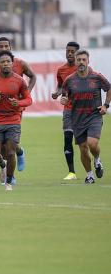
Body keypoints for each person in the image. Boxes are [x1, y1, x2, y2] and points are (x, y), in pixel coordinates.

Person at [0, 37, 36, 173]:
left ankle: (8, 173)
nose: (4, 48)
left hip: (15, 111)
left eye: (6, 46)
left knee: (8, 146)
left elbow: (32, 77)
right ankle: (16, 154)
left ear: (10, 48)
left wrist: (24, 95)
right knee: (1, 148)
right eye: (1, 46)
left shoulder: (21, 64)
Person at [61, 49, 110, 184]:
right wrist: (63, 99)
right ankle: (89, 175)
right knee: (83, 149)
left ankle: (97, 160)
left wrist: (106, 105)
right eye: (79, 60)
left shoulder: (97, 77)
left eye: (84, 59)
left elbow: (109, 88)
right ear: (75, 62)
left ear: (88, 61)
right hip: (77, 118)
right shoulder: (69, 80)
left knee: (92, 144)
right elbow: (64, 94)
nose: (81, 62)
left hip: (94, 115)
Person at [51, 41, 80, 180]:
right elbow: (61, 86)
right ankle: (72, 172)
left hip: (83, 110)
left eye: (72, 51)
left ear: (77, 53)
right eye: (67, 51)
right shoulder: (61, 70)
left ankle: (96, 162)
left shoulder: (82, 69)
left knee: (85, 144)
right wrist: (57, 93)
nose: (69, 53)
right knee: (67, 138)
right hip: (68, 109)